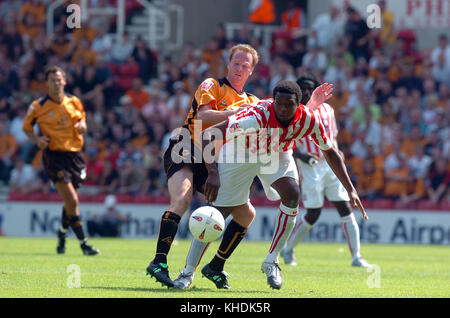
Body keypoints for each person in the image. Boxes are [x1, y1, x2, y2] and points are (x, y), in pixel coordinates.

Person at [178, 80, 368, 290]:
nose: (283, 108)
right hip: (242, 152)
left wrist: (350, 189)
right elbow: (208, 134)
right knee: (217, 213)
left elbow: (331, 152)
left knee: (292, 193)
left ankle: (271, 261)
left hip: (276, 153)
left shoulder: (308, 119)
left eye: (289, 104)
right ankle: (187, 272)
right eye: (279, 103)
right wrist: (212, 172)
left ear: (299, 105)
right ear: (273, 101)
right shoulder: (256, 116)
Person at [145, 44, 261, 288]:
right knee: (183, 198)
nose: (240, 69)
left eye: (245, 66)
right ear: (228, 64)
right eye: (236, 63)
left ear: (251, 72)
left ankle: (216, 266)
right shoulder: (212, 85)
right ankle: (159, 261)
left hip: (217, 161)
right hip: (188, 145)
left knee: (246, 213)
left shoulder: (253, 101)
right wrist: (236, 113)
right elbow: (203, 118)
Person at [280, 74, 372, 268]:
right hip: (310, 167)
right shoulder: (297, 111)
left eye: (310, 88)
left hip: (329, 165)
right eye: (302, 88)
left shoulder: (329, 110)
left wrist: (337, 154)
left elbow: (333, 136)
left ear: (316, 90)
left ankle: (356, 257)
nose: (306, 91)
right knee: (313, 213)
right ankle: (288, 249)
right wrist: (302, 156)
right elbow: (286, 140)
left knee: (345, 207)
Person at [22, 65, 99, 256]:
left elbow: (83, 121)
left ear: (64, 81)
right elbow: (26, 128)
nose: (56, 83)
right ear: (47, 83)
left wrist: (83, 126)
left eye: (59, 80)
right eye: (52, 80)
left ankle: (62, 233)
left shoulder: (74, 102)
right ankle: (84, 243)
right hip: (54, 156)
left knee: (69, 203)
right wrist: (37, 140)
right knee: (72, 199)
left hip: (75, 156)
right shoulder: (38, 106)